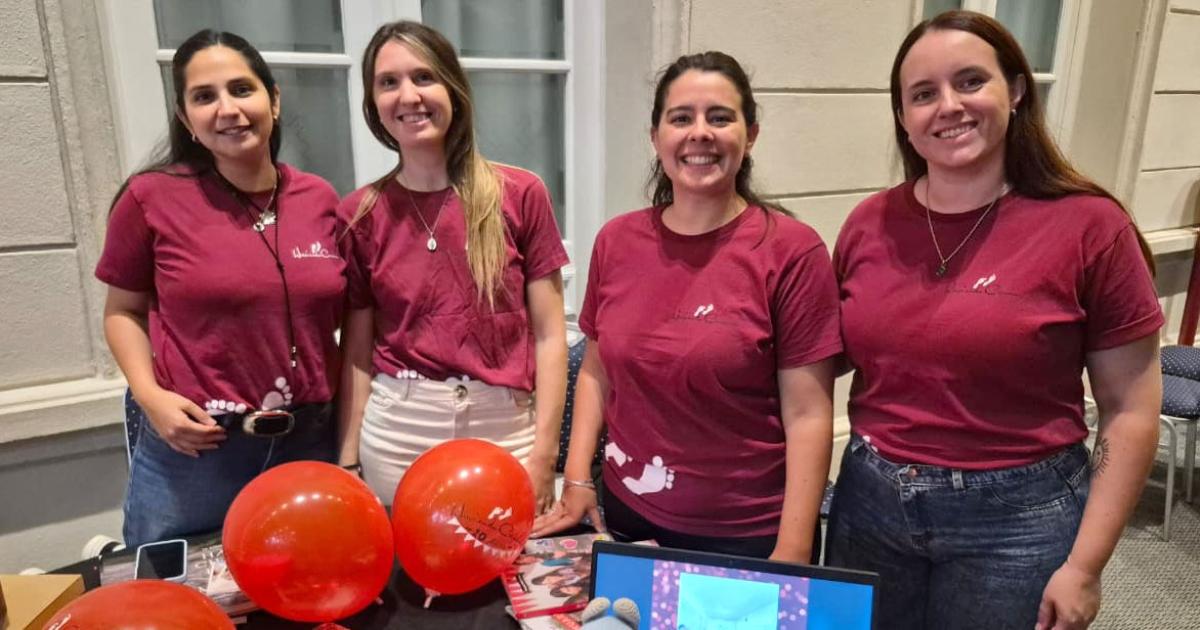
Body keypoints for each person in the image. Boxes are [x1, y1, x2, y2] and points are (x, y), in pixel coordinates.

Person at [826, 11, 1162, 630]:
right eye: (923, 94)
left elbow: (1132, 408)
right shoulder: (868, 224)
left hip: (1017, 521)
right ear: (903, 117)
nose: (948, 106)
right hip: (869, 503)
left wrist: (1084, 567)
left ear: (1015, 89)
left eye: (970, 81)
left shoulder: (1090, 226)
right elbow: (822, 359)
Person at [533, 51, 841, 563]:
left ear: (752, 134)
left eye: (720, 117)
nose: (701, 133)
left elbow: (809, 413)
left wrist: (793, 547)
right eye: (682, 118)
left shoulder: (792, 251)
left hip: (745, 534)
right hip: (628, 518)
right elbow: (596, 369)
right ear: (656, 137)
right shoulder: (617, 241)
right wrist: (579, 478)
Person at [97, 29, 345, 547]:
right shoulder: (150, 199)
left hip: (310, 441)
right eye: (204, 97)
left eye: (241, 89)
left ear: (273, 100)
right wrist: (150, 398)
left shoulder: (320, 198)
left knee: (304, 595)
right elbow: (122, 311)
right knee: (170, 608)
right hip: (197, 451)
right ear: (186, 120)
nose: (227, 109)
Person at [337, 21, 568, 512]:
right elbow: (358, 347)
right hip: (399, 430)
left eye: (424, 77)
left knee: (506, 579)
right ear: (373, 103)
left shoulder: (519, 194)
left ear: (453, 90)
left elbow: (550, 336)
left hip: (505, 430)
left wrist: (545, 455)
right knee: (406, 580)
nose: (408, 95)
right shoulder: (359, 213)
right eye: (388, 82)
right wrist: (348, 457)